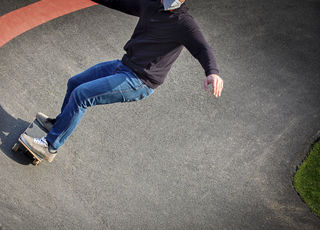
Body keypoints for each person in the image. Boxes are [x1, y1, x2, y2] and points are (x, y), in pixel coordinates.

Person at [20, 0, 224, 162]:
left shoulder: (184, 23)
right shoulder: (151, 3)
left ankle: (50, 147)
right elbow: (119, 1)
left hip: (139, 81)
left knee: (82, 96)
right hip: (123, 66)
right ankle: (59, 125)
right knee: (75, 83)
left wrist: (212, 72)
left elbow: (202, 48)